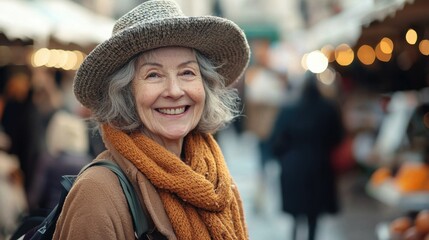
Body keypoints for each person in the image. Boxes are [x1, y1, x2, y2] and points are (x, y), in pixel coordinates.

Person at [53, 0, 250, 239]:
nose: (175, 90)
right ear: (125, 93)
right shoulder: (97, 193)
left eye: (187, 72)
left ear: (205, 86)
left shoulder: (216, 178)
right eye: (153, 74)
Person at [269, 73, 344, 240]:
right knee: (314, 216)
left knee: (295, 214)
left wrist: (284, 157)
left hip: (293, 167)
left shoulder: (288, 109)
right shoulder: (328, 108)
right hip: (319, 166)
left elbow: (275, 140)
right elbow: (338, 137)